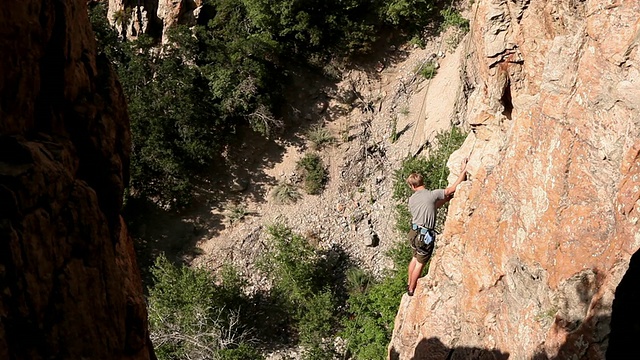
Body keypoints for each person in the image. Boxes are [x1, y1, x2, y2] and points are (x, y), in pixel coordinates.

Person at [405, 158, 468, 296]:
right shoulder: (432, 194)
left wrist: (445, 200)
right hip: (424, 236)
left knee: (415, 258)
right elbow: (452, 188)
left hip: (413, 232)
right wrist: (463, 170)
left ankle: (409, 283)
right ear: (422, 182)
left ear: (413, 186)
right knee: (420, 263)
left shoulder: (412, 199)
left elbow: (432, 206)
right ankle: (411, 289)